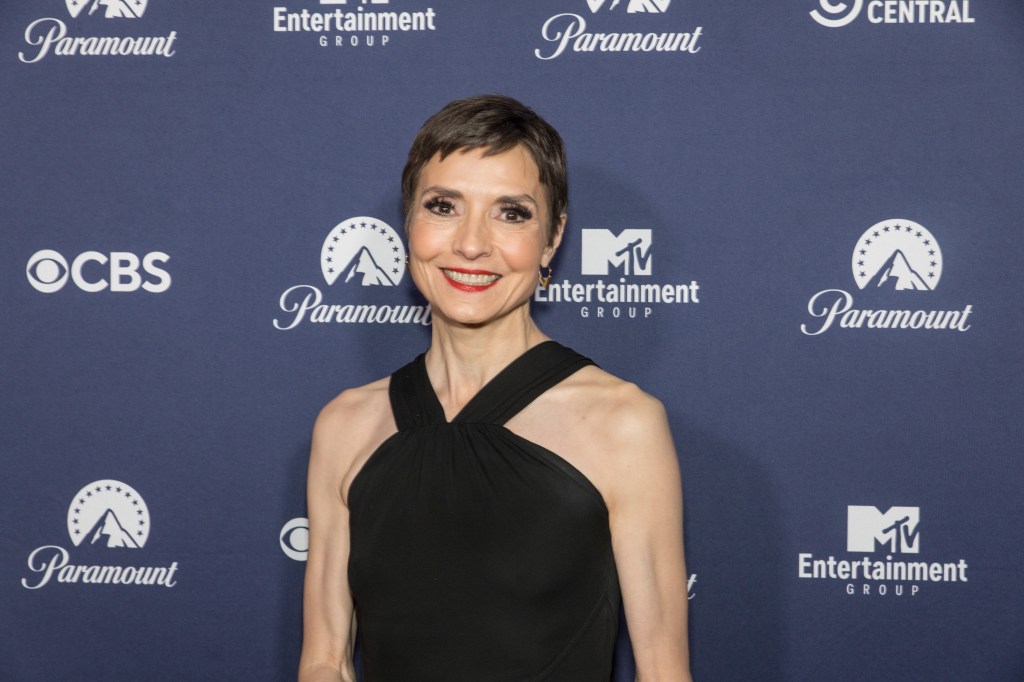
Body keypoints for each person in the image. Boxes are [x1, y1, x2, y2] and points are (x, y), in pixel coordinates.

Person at [298, 94, 692, 682]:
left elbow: (663, 673)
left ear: (553, 239)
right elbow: (325, 661)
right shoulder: (345, 424)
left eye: (511, 213)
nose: (472, 244)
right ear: (409, 222)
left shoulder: (624, 423)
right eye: (443, 206)